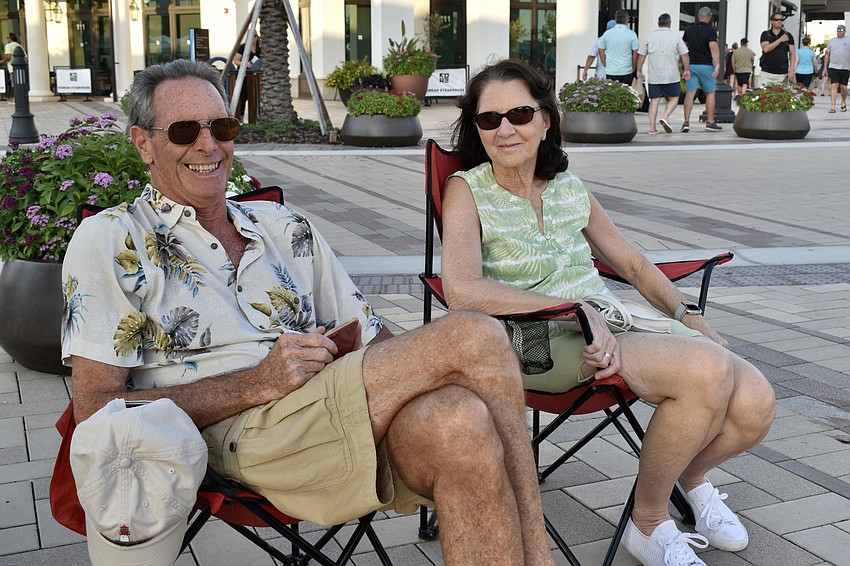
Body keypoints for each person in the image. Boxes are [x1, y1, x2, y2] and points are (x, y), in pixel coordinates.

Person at [61, 59, 556, 566]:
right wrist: (259, 382)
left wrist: (421, 371)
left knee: (461, 419)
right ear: (143, 143)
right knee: (473, 334)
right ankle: (541, 555)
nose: (208, 146)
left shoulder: (281, 223)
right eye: (185, 131)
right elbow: (95, 410)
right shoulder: (111, 238)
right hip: (234, 435)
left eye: (222, 127)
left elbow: (371, 338)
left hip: (333, 411)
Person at [442, 59, 775, 566]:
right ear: (477, 129)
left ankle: (688, 477)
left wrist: (687, 315)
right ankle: (647, 521)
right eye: (489, 120)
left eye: (519, 113)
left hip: (607, 320)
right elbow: (461, 290)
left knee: (755, 401)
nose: (505, 128)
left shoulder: (567, 186)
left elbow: (634, 264)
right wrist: (570, 307)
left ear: (546, 120)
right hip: (529, 337)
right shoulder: (467, 190)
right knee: (706, 371)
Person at [636, 13, 690, 134]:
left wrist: (638, 70)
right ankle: (665, 116)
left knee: (654, 101)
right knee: (674, 98)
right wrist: (686, 70)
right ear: (669, 23)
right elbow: (684, 54)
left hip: (654, 75)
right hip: (671, 74)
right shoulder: (675, 37)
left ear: (658, 23)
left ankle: (652, 128)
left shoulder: (649, 37)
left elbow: (641, 55)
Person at [682, 6, 723, 132]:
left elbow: (684, 48)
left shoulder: (689, 30)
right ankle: (710, 122)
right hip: (706, 66)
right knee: (710, 93)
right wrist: (717, 65)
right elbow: (713, 47)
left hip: (692, 66)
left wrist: (684, 66)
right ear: (709, 17)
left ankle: (686, 122)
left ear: (698, 17)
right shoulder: (711, 30)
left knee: (690, 93)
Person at [598, 10, 640, 85]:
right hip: (626, 70)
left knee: (611, 94)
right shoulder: (632, 34)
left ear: (616, 19)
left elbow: (601, 50)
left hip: (611, 70)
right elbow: (635, 53)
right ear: (627, 20)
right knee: (626, 94)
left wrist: (604, 62)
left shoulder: (607, 33)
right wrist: (634, 66)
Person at [759, 12, 796, 86]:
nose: (779, 21)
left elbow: (792, 54)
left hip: (782, 73)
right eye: (776, 20)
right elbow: (766, 49)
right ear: (772, 22)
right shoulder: (765, 34)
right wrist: (780, 40)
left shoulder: (788, 36)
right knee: (764, 96)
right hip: (767, 72)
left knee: (780, 96)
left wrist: (791, 71)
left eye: (781, 20)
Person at [232, 32, 261, 121]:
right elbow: (236, 60)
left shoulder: (260, 49)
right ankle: (240, 119)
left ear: (257, 37)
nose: (252, 38)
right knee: (242, 97)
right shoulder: (243, 47)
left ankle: (256, 119)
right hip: (244, 76)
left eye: (254, 36)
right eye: (250, 36)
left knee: (256, 97)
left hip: (256, 77)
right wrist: (245, 64)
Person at [823, 24, 850, 113]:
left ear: (845, 31)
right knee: (833, 85)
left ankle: (843, 101)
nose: (839, 32)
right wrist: (825, 68)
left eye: (841, 31)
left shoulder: (848, 40)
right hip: (833, 66)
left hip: (845, 67)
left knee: (843, 87)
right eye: (838, 31)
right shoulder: (832, 41)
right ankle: (833, 106)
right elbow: (827, 54)